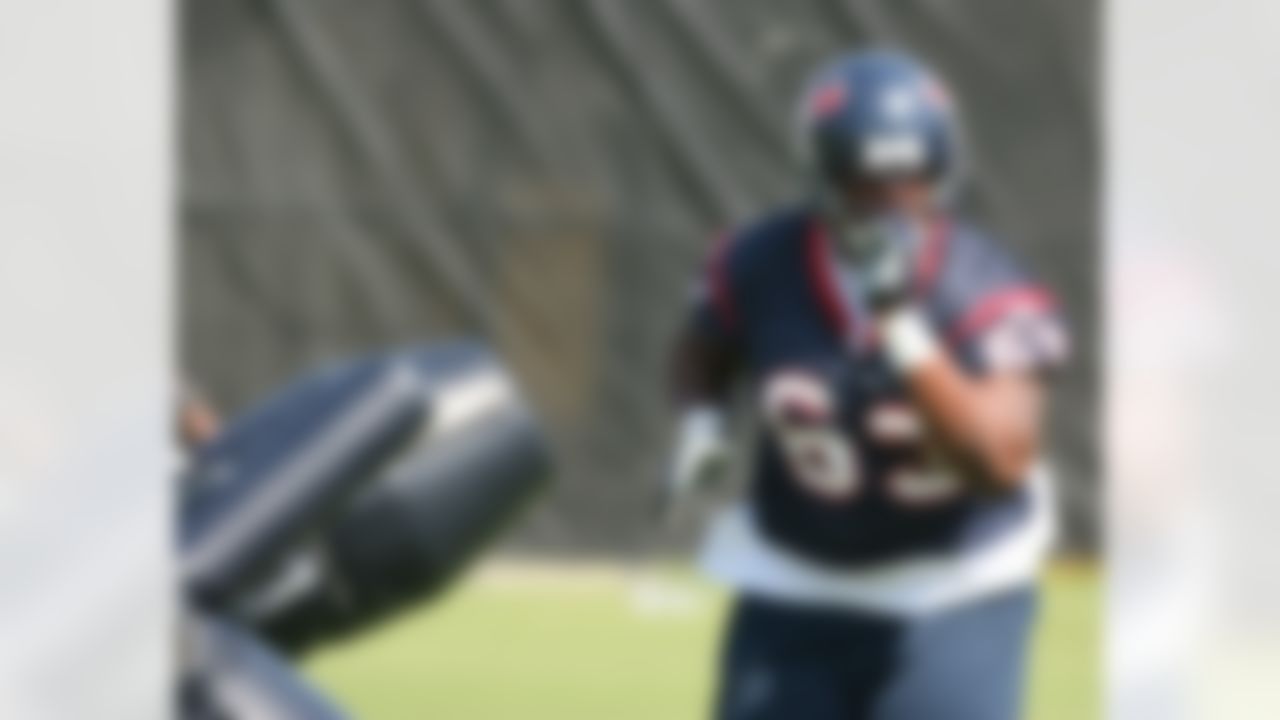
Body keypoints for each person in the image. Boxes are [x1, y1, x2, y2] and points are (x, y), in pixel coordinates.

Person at [664, 49, 1070, 720]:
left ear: (942, 169)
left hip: (952, 588)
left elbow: (1000, 461)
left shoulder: (987, 286)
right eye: (865, 179)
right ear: (824, 172)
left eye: (912, 176)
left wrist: (902, 327)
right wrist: (701, 420)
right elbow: (703, 345)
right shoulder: (759, 260)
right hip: (796, 579)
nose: (891, 199)